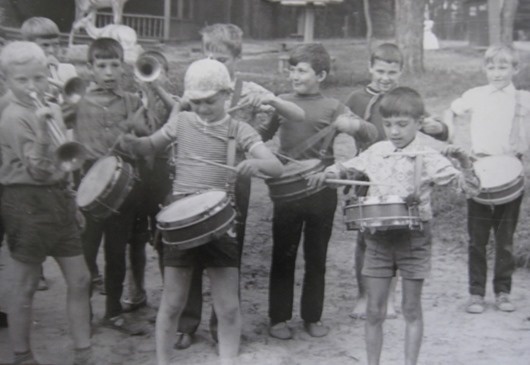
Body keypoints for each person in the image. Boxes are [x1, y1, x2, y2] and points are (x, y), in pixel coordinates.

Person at [121, 58, 284, 365]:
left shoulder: (240, 129)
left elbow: (276, 167)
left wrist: (256, 163)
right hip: (181, 223)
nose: (203, 109)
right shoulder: (181, 122)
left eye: (209, 101)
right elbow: (149, 147)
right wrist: (131, 141)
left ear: (226, 94)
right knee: (172, 304)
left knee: (229, 307)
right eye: (195, 102)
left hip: (221, 225)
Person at [308, 86, 480, 365]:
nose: (395, 131)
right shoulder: (376, 151)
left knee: (411, 308)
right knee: (374, 310)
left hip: (414, 239)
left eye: (402, 124)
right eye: (388, 124)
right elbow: (346, 167)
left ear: (418, 123)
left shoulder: (428, 155)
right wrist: (328, 172)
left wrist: (464, 164)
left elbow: (468, 190)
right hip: (377, 239)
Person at [173, 23, 301, 350]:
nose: (214, 63)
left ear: (237, 58)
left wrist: (269, 102)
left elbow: (285, 119)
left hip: (234, 181)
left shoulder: (248, 89)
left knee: (228, 255)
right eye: (208, 55)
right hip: (196, 178)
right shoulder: (197, 85)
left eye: (223, 58)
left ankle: (222, 325)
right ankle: (187, 323)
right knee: (189, 246)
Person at [257, 43, 378, 340]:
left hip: (322, 190)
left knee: (316, 256)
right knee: (282, 255)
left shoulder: (334, 106)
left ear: (321, 75)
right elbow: (259, 138)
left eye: (301, 70)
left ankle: (312, 316)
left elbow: (371, 134)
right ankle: (278, 317)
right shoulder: (281, 101)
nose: (294, 75)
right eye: (291, 69)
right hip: (287, 191)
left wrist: (351, 124)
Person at [0, 41, 94, 365]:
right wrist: (43, 128)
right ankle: (22, 356)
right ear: (6, 80)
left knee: (80, 279)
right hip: (25, 201)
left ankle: (84, 354)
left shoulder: (48, 105)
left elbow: (63, 161)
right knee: (24, 286)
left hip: (57, 198)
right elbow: (38, 170)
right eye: (22, 80)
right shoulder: (13, 116)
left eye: (39, 78)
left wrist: (73, 201)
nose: (33, 87)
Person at [345, 42, 451, 319]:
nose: (385, 77)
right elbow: (337, 126)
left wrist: (439, 128)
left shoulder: (404, 100)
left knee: (395, 234)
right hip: (368, 177)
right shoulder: (356, 98)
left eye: (392, 72)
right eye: (380, 70)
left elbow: (435, 128)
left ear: (401, 71)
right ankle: (363, 295)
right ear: (370, 68)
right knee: (365, 238)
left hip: (402, 179)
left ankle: (389, 296)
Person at [445, 44, 530, 314]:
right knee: (476, 238)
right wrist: (451, 136)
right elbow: (451, 111)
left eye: (503, 67)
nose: (496, 73)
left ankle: (503, 292)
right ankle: (476, 293)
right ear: (485, 68)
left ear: (515, 69)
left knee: (505, 239)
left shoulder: (524, 99)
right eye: (491, 67)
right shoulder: (475, 95)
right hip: (479, 171)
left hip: (511, 172)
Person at [72, 37, 149, 335]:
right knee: (86, 252)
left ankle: (113, 311)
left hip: (122, 183)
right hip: (88, 180)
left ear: (122, 67)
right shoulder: (78, 101)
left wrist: (139, 123)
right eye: (101, 65)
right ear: (90, 68)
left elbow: (144, 135)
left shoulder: (131, 100)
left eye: (114, 65)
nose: (108, 72)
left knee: (116, 251)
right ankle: (84, 312)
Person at [19, 17, 80, 291]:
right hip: (36, 140)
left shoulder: (64, 69)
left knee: (64, 193)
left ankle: (71, 253)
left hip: (62, 138)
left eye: (55, 43)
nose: (52, 49)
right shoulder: (24, 74)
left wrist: (61, 93)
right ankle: (38, 267)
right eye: (45, 45)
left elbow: (75, 103)